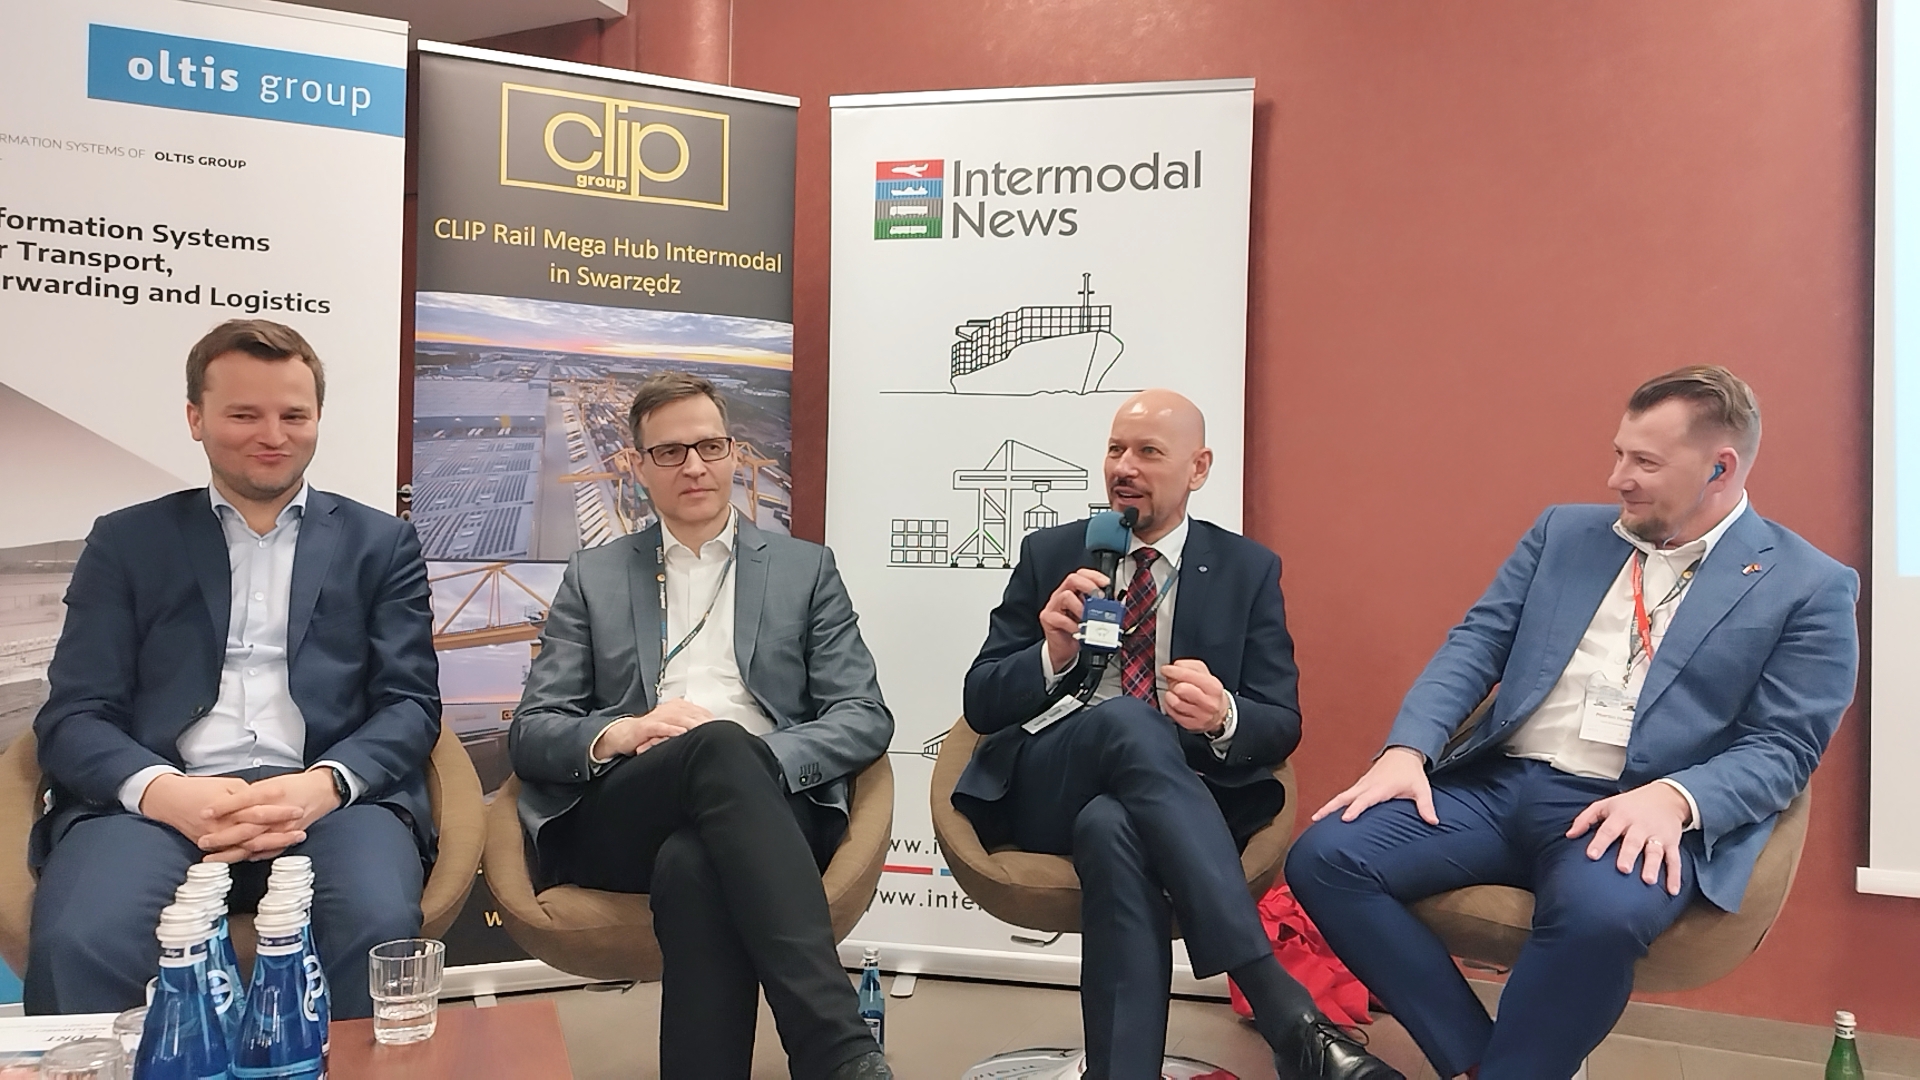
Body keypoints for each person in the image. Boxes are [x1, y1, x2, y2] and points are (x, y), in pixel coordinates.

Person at [1287, 366, 1859, 1080]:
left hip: (1632, 804)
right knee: (1325, 858)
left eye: (1645, 462)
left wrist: (1676, 798)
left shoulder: (1808, 584)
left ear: (1720, 468)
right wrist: (1407, 749)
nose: (1618, 478)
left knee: (1601, 917)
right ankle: (1476, 1063)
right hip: (1497, 786)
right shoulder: (1564, 532)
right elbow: (1476, 644)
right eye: (1619, 453)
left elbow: (1785, 745)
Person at [955, 389, 1402, 1080]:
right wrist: (1050, 654)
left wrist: (1224, 715)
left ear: (1198, 468)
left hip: (1174, 796)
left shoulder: (1247, 570)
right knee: (1127, 718)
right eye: (1115, 449)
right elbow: (981, 700)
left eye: (1148, 452)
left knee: (1112, 827)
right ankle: (1283, 1009)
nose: (1123, 467)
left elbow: (1280, 721)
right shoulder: (1054, 553)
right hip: (1050, 779)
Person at [28, 319, 440, 1018]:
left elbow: (410, 704)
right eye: (244, 415)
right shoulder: (127, 541)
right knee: (82, 938)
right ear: (196, 418)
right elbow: (76, 714)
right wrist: (163, 792)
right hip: (161, 800)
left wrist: (321, 785)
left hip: (327, 799)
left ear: (318, 419)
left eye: (294, 415)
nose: (272, 435)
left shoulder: (382, 543)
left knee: (375, 923)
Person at [509, 372, 893, 1080]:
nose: (694, 466)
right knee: (716, 746)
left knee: (695, 861)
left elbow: (863, 715)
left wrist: (763, 760)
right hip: (626, 806)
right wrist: (622, 732)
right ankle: (836, 1050)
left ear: (733, 452)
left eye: (710, 446)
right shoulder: (594, 576)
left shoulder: (805, 570)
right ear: (637, 465)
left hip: (768, 805)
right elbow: (533, 729)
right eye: (670, 452)